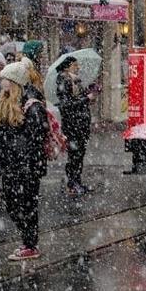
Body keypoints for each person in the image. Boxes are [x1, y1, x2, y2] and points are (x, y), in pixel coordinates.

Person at [0, 61, 48, 261]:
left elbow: (37, 138)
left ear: (14, 82)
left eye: (5, 79)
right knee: (12, 204)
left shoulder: (31, 106)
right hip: (10, 165)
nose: (2, 83)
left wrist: (28, 164)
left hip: (26, 167)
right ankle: (27, 241)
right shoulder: (4, 102)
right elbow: (0, 132)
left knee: (26, 205)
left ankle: (30, 244)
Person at [56, 56, 93, 195]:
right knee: (74, 156)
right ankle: (72, 184)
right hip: (73, 125)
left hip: (80, 124)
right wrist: (85, 99)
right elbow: (66, 106)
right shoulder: (64, 82)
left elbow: (78, 101)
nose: (78, 68)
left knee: (79, 154)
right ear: (66, 68)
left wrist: (89, 94)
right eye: (74, 65)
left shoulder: (75, 81)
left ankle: (77, 182)